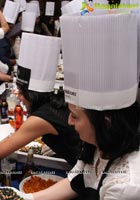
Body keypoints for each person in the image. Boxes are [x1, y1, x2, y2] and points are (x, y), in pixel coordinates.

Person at [27, 11, 140, 200]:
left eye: (75, 116)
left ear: (106, 122)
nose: (69, 121)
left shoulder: (125, 186)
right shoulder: (97, 146)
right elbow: (77, 178)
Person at [0, 33, 82, 172]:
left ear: (32, 95)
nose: (19, 97)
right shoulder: (54, 101)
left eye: (21, 93)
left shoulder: (41, 118)